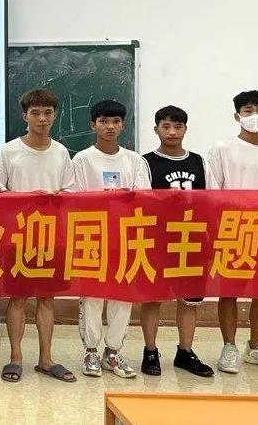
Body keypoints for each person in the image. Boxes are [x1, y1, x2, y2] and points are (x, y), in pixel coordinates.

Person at [0, 88, 77, 384]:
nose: (42, 119)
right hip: (17, 238)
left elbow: (70, 193)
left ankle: (46, 359)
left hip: (52, 237)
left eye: (48, 113)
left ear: (55, 115)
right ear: (24, 115)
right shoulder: (9, 151)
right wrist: (26, 199)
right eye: (36, 113)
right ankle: (15, 358)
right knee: (17, 299)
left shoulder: (61, 152)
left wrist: (53, 199)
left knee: (47, 299)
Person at [207, 89, 258, 374]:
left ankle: (256, 347)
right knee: (229, 291)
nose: (254, 115)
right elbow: (212, 192)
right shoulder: (223, 148)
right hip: (233, 229)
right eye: (248, 111)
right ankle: (229, 347)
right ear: (237, 116)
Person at [71, 100, 149, 379]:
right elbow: (76, 200)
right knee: (92, 296)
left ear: (123, 125)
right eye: (104, 121)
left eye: (116, 121)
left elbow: (144, 198)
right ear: (93, 125)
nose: (110, 127)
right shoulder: (81, 160)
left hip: (126, 238)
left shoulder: (134, 160)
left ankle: (112, 353)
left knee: (122, 296)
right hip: (92, 237)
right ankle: (91, 351)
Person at [139, 105, 215, 377]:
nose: (172, 132)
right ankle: (150, 351)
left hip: (193, 240)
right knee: (152, 299)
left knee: (190, 300)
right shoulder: (145, 162)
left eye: (178, 126)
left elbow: (212, 199)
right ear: (156, 129)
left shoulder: (199, 162)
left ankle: (185, 351)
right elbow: (141, 202)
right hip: (158, 240)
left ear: (185, 129)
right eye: (166, 126)